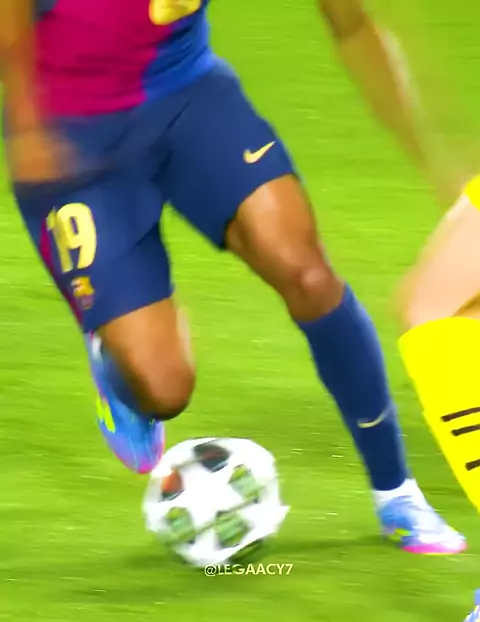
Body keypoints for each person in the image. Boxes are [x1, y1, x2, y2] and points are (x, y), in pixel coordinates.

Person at [0, 0, 465, 553]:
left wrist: (435, 157)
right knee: (163, 388)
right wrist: (27, 126)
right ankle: (116, 363)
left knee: (308, 275)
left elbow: (354, 27)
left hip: (189, 93)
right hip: (72, 131)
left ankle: (397, 493)